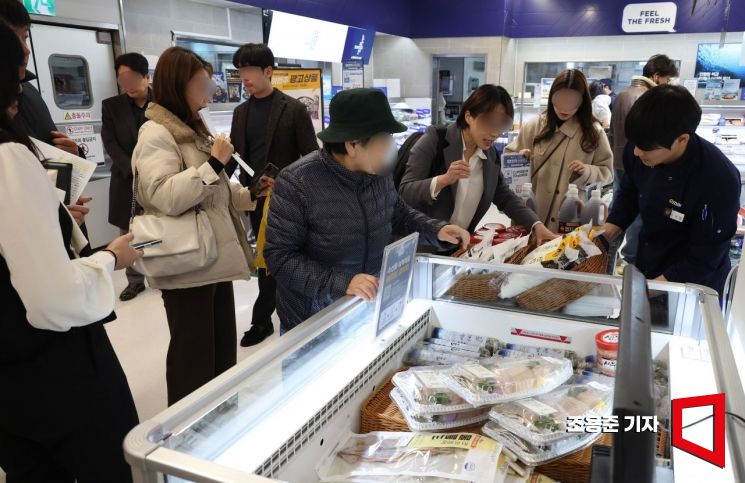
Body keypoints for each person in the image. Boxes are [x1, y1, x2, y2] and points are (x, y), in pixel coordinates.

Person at [0, 22, 142, 482]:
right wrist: (110, 259)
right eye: (21, 66)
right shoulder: (7, 157)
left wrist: (56, 219)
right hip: (46, 365)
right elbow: (52, 298)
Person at [264, 88, 470, 332]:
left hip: (365, 309)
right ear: (352, 144)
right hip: (314, 319)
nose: (390, 147)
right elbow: (280, 257)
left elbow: (397, 214)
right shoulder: (298, 182)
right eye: (384, 140)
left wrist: (437, 230)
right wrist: (343, 282)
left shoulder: (378, 173)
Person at [131, 47, 265, 405]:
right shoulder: (156, 133)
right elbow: (166, 196)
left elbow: (213, 195)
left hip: (213, 258)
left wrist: (250, 194)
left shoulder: (193, 128)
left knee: (221, 353)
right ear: (179, 85)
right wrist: (214, 164)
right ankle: (187, 440)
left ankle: (219, 425)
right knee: (193, 359)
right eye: (202, 84)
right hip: (187, 261)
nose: (209, 92)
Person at [603, 85, 740, 297]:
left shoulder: (718, 179)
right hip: (649, 263)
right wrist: (609, 229)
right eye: (635, 144)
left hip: (693, 287)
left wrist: (652, 289)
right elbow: (630, 193)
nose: (637, 152)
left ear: (682, 139)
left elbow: (705, 256)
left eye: (646, 147)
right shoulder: (640, 148)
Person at [227, 43, 318, 347]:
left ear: (268, 71)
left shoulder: (293, 109)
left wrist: (286, 183)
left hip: (289, 200)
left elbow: (312, 158)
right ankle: (264, 320)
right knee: (266, 261)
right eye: (240, 70)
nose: (244, 77)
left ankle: (288, 315)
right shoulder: (240, 112)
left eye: (250, 70)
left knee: (288, 258)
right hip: (255, 200)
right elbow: (235, 157)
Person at [400, 84, 556, 243]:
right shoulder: (435, 139)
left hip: (459, 247)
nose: (495, 133)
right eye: (488, 123)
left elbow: (504, 197)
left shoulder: (490, 154)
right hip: (423, 246)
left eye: (501, 125)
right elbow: (405, 191)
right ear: (468, 116)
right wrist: (443, 180)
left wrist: (536, 224)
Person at [0, 0, 91, 226]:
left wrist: (73, 153)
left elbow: (46, 150)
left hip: (61, 218)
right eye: (14, 40)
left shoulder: (30, 91)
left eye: (25, 37)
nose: (25, 50)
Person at [504, 69, 613, 232]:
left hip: (571, 221)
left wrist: (586, 171)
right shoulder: (534, 126)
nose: (565, 108)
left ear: (582, 101)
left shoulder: (593, 132)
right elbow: (508, 162)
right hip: (532, 217)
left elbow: (607, 173)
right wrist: (521, 159)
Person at [609, 54, 678, 265]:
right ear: (657, 76)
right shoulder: (648, 98)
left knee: (620, 204)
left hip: (621, 160)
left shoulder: (622, 94)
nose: (668, 85)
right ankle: (631, 259)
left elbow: (612, 131)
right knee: (639, 211)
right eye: (667, 80)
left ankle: (609, 257)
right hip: (642, 164)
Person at [102, 52, 151, 301]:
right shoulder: (112, 106)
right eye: (122, 79)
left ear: (146, 76)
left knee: (162, 224)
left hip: (159, 177)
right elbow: (110, 142)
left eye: (132, 77)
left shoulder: (162, 103)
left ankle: (163, 270)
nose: (127, 84)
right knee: (129, 229)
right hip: (126, 178)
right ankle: (134, 281)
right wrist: (132, 169)